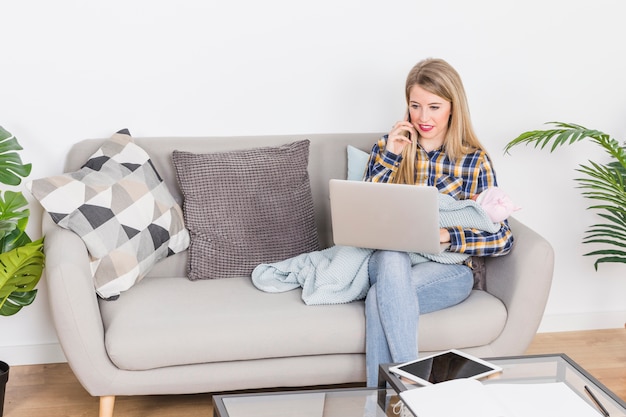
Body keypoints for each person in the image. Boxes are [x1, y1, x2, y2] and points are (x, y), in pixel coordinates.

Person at [363, 58, 514, 387]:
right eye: (415, 106)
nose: (423, 117)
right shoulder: (386, 147)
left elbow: (502, 237)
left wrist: (448, 235)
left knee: (380, 298)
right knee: (390, 258)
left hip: (449, 269)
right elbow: (363, 214)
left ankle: (381, 403)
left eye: (434, 106)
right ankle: (414, 391)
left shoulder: (474, 160)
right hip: (392, 261)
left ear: (452, 107)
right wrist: (391, 154)